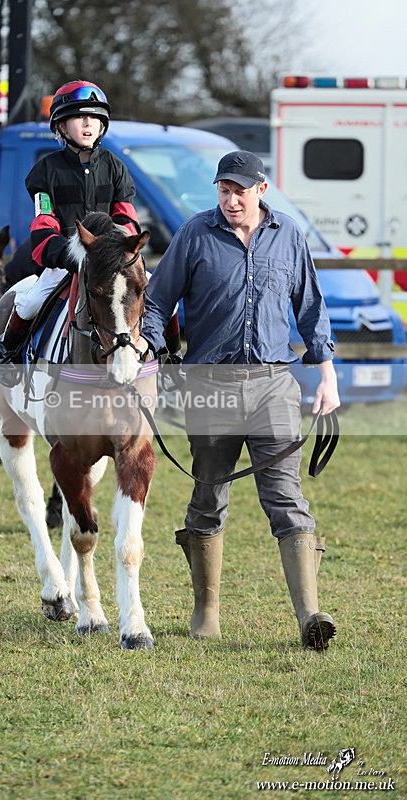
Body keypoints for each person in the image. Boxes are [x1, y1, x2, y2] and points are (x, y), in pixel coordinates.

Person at [140, 150, 340, 650]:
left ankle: (310, 615)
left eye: (240, 191)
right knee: (208, 495)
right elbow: (159, 300)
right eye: (224, 191)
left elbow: (310, 306)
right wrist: (151, 348)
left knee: (287, 500)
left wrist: (327, 375)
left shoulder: (288, 235)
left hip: (274, 384)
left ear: (261, 190)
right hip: (210, 386)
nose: (231, 200)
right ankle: (205, 611)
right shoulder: (195, 234)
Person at [0, 79, 141, 387]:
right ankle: (7, 355)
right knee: (30, 302)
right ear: (60, 125)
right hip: (66, 261)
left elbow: (126, 218)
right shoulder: (46, 171)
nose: (88, 123)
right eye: (79, 116)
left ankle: (169, 356)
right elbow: (44, 222)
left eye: (95, 117)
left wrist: (120, 249)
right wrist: (70, 254)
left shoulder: (116, 167)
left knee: (156, 291)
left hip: (111, 262)